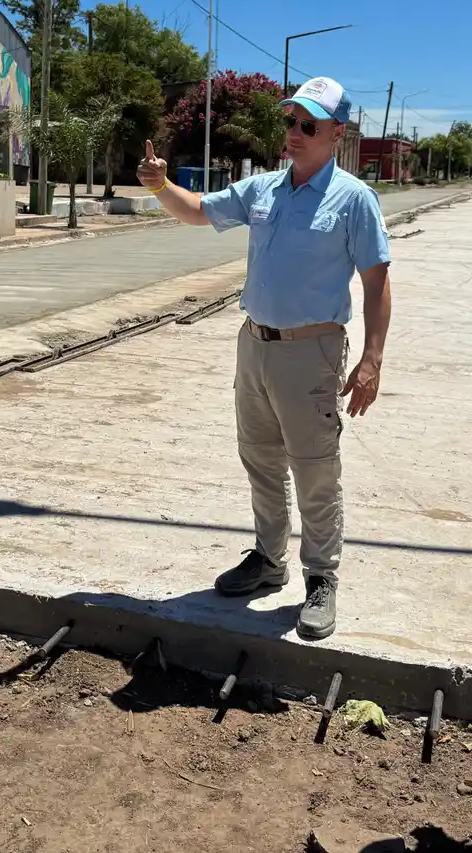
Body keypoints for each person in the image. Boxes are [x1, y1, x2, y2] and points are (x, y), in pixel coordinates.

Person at [138, 76, 391, 640]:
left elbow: (377, 281)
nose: (295, 132)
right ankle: (269, 560)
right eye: (291, 121)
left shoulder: (354, 199)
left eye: (309, 125)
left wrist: (372, 358)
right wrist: (160, 186)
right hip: (254, 344)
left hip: (311, 351)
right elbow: (197, 211)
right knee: (260, 459)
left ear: (336, 133)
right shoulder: (262, 189)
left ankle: (321, 577)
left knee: (314, 468)